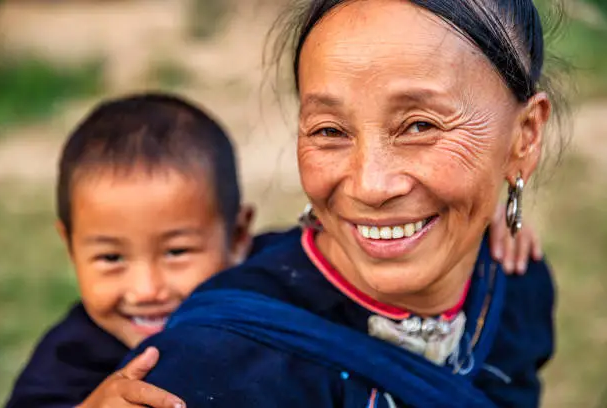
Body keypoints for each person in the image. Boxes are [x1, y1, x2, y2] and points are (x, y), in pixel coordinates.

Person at [123, 0, 559, 407]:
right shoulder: (211, 366)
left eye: (420, 125)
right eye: (329, 131)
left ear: (525, 137)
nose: (370, 185)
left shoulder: (517, 287)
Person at [3, 93, 295, 408]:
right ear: (71, 247)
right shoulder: (69, 358)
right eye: (111, 258)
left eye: (176, 252)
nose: (146, 290)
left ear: (237, 237)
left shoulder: (280, 278)